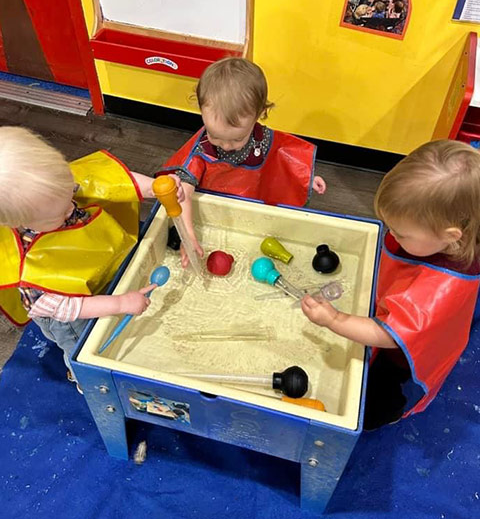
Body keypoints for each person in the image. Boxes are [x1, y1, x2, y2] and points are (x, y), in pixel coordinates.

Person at [301, 140, 480, 429]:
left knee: (373, 405)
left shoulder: (438, 289)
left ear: (450, 235)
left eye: (401, 233)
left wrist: (334, 319)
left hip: (400, 357)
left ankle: (388, 412)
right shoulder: (457, 218)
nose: (393, 235)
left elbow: (389, 335)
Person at [0, 127, 184, 390]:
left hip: (87, 275)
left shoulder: (54, 185)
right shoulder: (29, 270)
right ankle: (82, 377)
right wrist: (119, 303)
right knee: (83, 347)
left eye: (69, 196)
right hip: (70, 316)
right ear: (20, 222)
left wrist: (153, 188)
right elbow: (68, 309)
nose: (71, 207)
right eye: (62, 213)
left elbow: (112, 181)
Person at [159, 57, 325, 267]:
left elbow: (283, 161)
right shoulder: (202, 148)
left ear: (260, 115)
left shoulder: (262, 139)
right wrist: (189, 235)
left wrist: (306, 179)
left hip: (252, 210)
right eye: (215, 136)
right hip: (216, 213)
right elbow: (183, 191)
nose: (225, 146)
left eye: (237, 139)